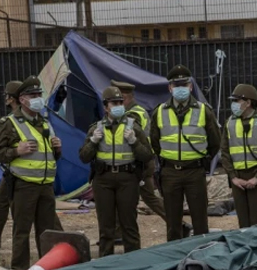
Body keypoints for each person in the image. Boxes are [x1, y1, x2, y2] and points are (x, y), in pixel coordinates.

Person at [0, 81, 64, 251]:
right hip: (19, 178)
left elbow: (48, 155)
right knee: (18, 222)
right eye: (33, 96)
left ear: (13, 98)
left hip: (43, 182)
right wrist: (16, 151)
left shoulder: (42, 122)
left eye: (39, 95)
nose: (38, 99)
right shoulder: (10, 122)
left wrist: (56, 149)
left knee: (45, 222)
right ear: (22, 99)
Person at [109, 80, 193, 239]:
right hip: (142, 161)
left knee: (148, 198)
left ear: (126, 97)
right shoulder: (138, 110)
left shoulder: (132, 115)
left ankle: (179, 224)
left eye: (118, 100)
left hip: (140, 163)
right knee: (128, 197)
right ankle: (119, 231)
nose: (116, 104)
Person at [150, 65, 221, 241]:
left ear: (190, 86)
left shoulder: (203, 110)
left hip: (194, 171)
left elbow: (215, 141)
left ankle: (201, 255)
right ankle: (174, 258)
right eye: (176, 85)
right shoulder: (160, 111)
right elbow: (154, 141)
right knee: (172, 222)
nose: (180, 89)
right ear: (170, 88)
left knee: (200, 220)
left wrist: (203, 160)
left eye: (184, 84)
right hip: (170, 172)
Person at [79, 86, 153, 257]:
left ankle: (133, 260)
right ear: (106, 107)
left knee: (129, 224)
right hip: (103, 179)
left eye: (120, 102)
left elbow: (147, 155)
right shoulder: (96, 128)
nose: (119, 105)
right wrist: (93, 141)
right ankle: (106, 262)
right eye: (114, 103)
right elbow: (83, 156)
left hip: (127, 178)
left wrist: (134, 142)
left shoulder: (133, 127)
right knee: (106, 226)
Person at [220, 84, 257, 228]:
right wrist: (233, 177)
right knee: (243, 223)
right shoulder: (229, 123)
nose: (234, 104)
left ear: (248, 102)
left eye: (237, 101)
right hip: (238, 179)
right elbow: (225, 152)